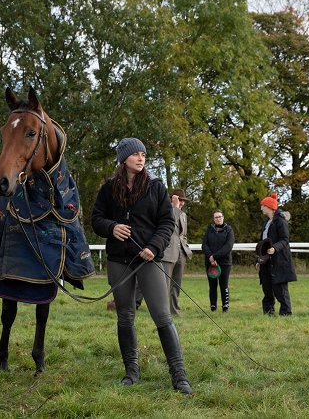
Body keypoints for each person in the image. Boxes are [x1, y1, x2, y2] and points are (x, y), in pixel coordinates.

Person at [92, 137, 193, 394]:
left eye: (144, 155)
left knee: (162, 316)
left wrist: (154, 247)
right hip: (119, 261)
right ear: (124, 158)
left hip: (149, 259)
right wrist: (112, 227)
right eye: (136, 154)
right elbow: (96, 219)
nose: (141, 158)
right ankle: (131, 372)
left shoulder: (156, 187)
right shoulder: (108, 189)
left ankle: (179, 376)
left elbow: (166, 223)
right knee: (125, 317)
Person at [255, 193, 296, 316]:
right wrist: (259, 259)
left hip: (279, 260)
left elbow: (285, 239)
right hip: (266, 260)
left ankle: (286, 313)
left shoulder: (280, 222)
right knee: (267, 287)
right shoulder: (266, 222)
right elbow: (262, 242)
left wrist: (275, 248)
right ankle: (268, 312)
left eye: (263, 206)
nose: (261, 208)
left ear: (269, 207)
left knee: (280, 288)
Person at [162, 189, 193, 315]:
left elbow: (183, 235)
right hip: (168, 253)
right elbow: (169, 225)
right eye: (180, 200)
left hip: (181, 253)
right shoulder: (165, 211)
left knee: (176, 285)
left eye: (183, 201)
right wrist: (174, 207)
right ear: (172, 199)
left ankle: (174, 310)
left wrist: (185, 247)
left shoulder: (183, 215)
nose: (182, 203)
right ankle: (163, 312)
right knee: (165, 285)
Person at [201, 209, 234, 312]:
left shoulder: (229, 230)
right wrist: (210, 257)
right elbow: (204, 244)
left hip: (224, 262)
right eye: (216, 217)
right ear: (213, 219)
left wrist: (215, 257)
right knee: (212, 285)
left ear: (223, 217)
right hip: (210, 262)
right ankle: (213, 305)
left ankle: (225, 306)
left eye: (220, 216)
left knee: (224, 284)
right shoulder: (209, 229)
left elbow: (228, 246)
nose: (218, 219)